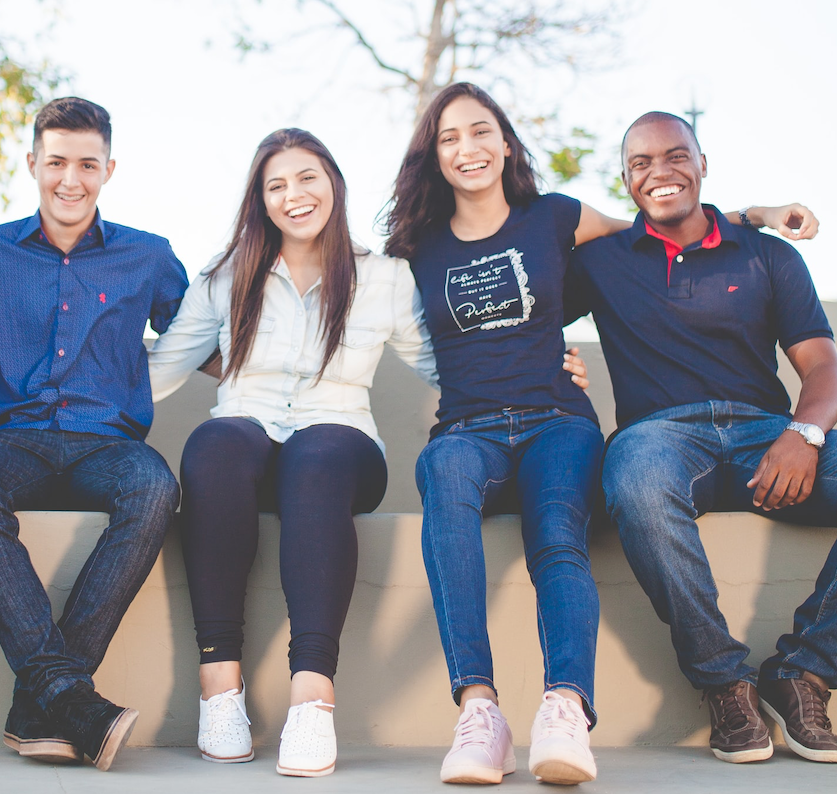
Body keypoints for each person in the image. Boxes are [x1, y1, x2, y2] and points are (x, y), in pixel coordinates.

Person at [383, 82, 808, 786]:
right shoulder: (413, 248)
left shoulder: (556, 217)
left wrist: (755, 215)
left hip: (558, 420)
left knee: (557, 533)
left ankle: (566, 708)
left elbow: (661, 226)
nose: (469, 148)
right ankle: (479, 710)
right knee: (444, 482)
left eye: (481, 131)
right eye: (450, 137)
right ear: (432, 155)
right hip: (466, 428)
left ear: (506, 142)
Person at [146, 128, 454, 777]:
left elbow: (441, 363)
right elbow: (162, 367)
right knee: (215, 445)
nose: (295, 195)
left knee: (316, 459)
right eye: (276, 184)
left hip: (340, 443)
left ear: (333, 183)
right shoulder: (226, 275)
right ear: (260, 200)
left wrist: (535, 371)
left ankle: (312, 699)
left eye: (307, 177)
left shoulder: (383, 278)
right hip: (246, 439)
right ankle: (220, 687)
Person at [567, 111, 837, 766]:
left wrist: (805, 432)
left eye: (675, 156)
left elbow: (822, 364)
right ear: (625, 182)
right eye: (640, 164)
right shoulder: (600, 260)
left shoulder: (768, 253)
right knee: (633, 480)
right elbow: (527, 238)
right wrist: (550, 358)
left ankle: (803, 670)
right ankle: (724, 682)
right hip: (658, 438)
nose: (659, 172)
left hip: (767, 438)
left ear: (703, 162)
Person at [0, 97, 188, 771]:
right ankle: (72, 699)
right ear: (32, 164)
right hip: (12, 441)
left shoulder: (149, 255)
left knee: (154, 488)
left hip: (108, 444)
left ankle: (46, 700)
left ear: (110, 168)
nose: (70, 180)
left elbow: (209, 333)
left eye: (87, 163)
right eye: (56, 162)